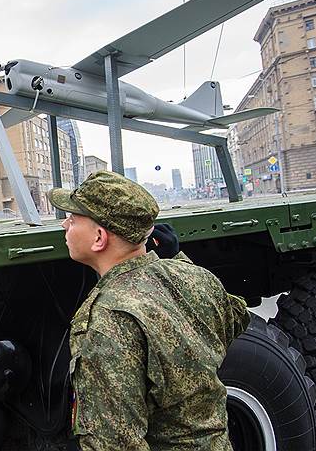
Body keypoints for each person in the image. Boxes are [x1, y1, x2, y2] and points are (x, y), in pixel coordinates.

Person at [46, 171, 250, 450]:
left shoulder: (109, 318)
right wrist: (178, 262)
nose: (64, 225)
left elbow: (115, 443)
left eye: (72, 219)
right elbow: (236, 316)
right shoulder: (194, 278)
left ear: (99, 238)